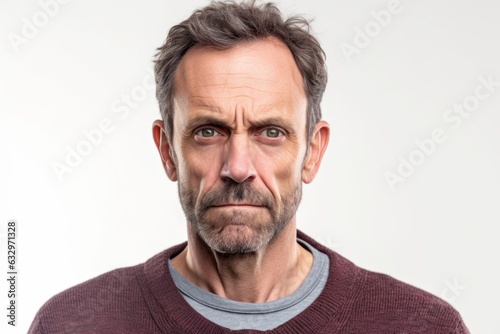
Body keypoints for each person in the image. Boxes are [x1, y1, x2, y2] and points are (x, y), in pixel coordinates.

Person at [29, 1, 469, 333]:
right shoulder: (73, 323)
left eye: (270, 133)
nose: (238, 167)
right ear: (167, 152)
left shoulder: (421, 325)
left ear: (312, 153)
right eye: (208, 131)